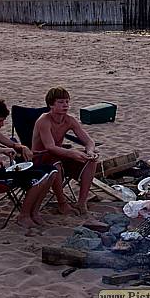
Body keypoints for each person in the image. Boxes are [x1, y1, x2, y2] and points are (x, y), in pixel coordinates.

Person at [0, 99, 57, 229]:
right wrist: (1, 150)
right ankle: (23, 216)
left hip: (2, 171)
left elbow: (11, 144)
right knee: (37, 179)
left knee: (51, 171)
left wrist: (22, 147)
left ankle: (34, 212)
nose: (1, 124)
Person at [32, 87, 98, 215]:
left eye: (67, 102)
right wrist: (72, 153)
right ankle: (62, 203)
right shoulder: (44, 121)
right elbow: (49, 146)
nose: (65, 105)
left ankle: (81, 202)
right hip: (41, 157)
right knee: (56, 164)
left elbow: (89, 141)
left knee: (91, 161)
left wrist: (90, 152)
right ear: (51, 104)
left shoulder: (69, 120)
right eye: (61, 102)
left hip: (59, 154)